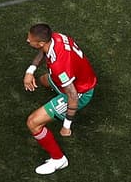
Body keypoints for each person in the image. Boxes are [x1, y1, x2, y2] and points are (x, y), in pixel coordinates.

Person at [23, 23, 97, 174]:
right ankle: (54, 92)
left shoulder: (59, 67)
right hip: (73, 78)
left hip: (79, 92)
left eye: (30, 39)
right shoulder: (56, 37)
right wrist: (31, 70)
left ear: (41, 42)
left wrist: (66, 125)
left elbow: (73, 96)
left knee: (33, 122)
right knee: (43, 80)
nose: (27, 40)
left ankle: (59, 160)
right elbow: (44, 51)